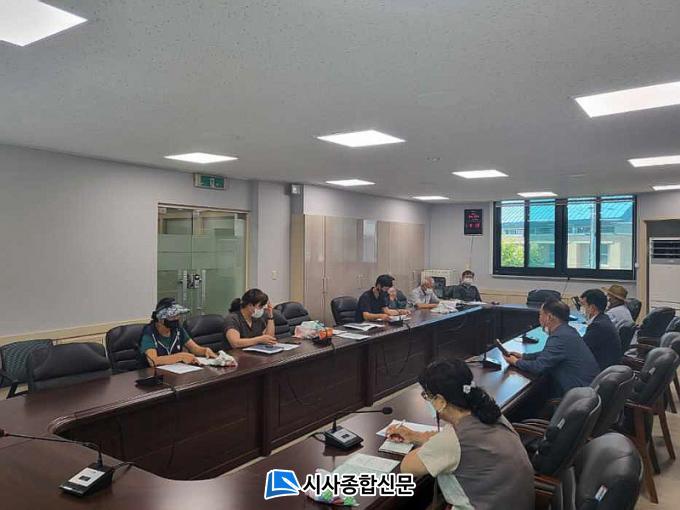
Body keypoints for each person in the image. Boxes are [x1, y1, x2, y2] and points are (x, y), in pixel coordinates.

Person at [386, 359, 534, 510]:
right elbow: (455, 445)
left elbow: (408, 467)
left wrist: (430, 444)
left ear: (440, 401)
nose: (426, 400)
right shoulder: (491, 415)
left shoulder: (453, 439)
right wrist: (416, 436)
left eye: (426, 396)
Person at [503, 299, 599, 397]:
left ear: (549, 317)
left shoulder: (559, 337)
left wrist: (516, 362)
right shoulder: (568, 331)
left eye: (541, 315)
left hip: (578, 395)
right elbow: (547, 354)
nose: (539, 318)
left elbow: (538, 367)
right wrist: (524, 356)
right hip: (587, 389)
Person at [140, 298, 217, 366]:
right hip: (154, 375)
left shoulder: (177, 329)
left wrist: (204, 351)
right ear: (161, 319)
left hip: (175, 372)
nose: (177, 318)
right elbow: (153, 361)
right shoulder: (149, 333)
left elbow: (193, 348)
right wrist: (180, 357)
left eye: (178, 315)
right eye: (173, 316)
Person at [580, 289, 622, 371]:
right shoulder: (603, 319)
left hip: (599, 370)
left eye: (583, 305)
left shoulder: (597, 326)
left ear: (592, 308)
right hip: (607, 366)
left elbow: (580, 349)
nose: (582, 308)